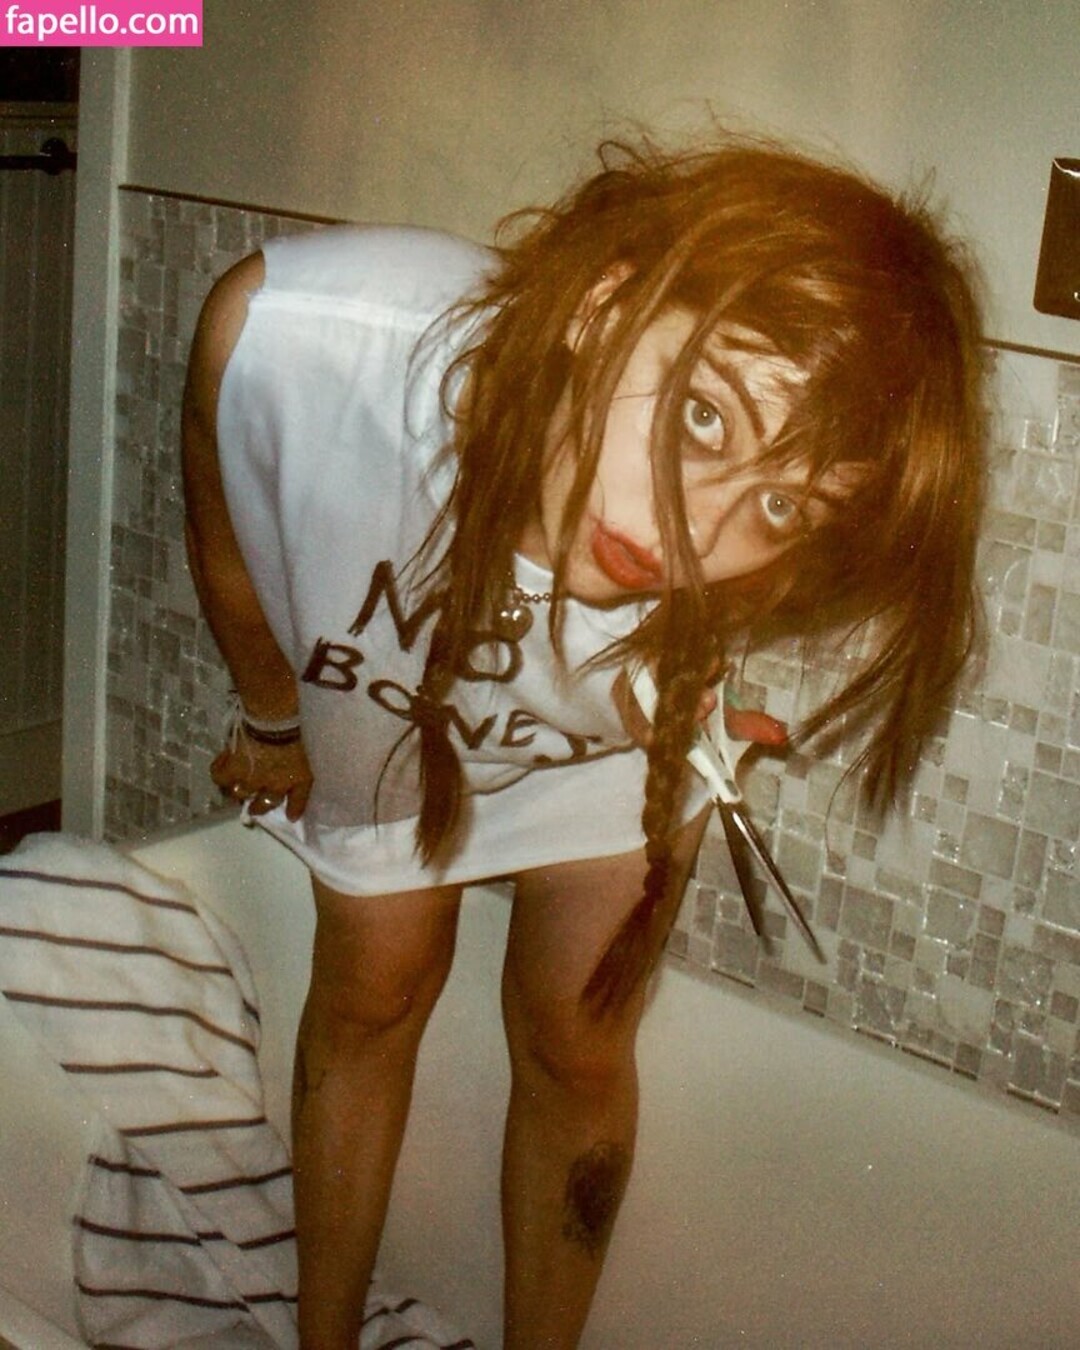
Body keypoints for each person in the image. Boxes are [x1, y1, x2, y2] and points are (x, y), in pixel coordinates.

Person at [181, 135, 984, 1349]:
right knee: (370, 996)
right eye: (704, 418)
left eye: (780, 504)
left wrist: (686, 716)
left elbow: (712, 608)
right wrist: (271, 714)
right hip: (392, 701)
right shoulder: (302, 337)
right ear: (605, 304)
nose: (692, 531)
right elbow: (227, 509)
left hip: (612, 740)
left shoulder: (695, 561)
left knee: (578, 1046)